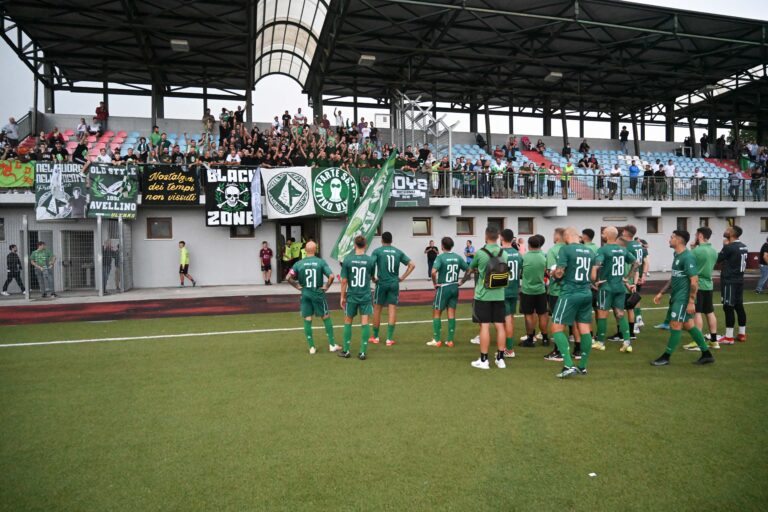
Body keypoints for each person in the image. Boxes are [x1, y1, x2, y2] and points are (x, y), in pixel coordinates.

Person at [650, 230, 714, 366]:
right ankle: (706, 354)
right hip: (677, 297)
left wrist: (691, 301)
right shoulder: (677, 254)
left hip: (683, 299)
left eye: (672, 237)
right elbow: (674, 276)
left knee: (675, 324)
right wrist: (662, 292)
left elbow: (694, 281)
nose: (669, 239)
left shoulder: (688, 257)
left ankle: (666, 357)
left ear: (679, 240)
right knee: (689, 325)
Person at [459, 225, 508, 370]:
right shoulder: (503, 253)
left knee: (485, 326)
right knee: (500, 326)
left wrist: (462, 281)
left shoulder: (480, 253)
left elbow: (470, 268)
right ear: (498, 237)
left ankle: (484, 360)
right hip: (499, 294)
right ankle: (500, 359)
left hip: (483, 295)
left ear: (486, 236)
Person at [550, 227, 596, 378]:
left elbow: (560, 272)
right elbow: (593, 276)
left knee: (556, 327)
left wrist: (554, 273)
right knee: (584, 329)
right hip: (586, 293)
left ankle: (568, 364)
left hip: (570, 293)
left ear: (566, 236)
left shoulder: (566, 249)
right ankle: (582, 366)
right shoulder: (589, 251)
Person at [286, 241, 341, 354]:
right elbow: (331, 276)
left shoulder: (298, 264)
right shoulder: (320, 262)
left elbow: (288, 277)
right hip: (318, 294)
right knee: (325, 317)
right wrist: (326, 287)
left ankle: (311, 347)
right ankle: (331, 345)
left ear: (305, 251)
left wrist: (298, 286)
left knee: (307, 318)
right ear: (315, 250)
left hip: (305, 293)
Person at [591, 227, 638, 353]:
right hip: (620, 287)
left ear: (607, 235)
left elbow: (597, 265)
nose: (601, 234)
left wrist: (594, 281)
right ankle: (627, 342)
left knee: (602, 314)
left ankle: (600, 342)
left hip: (606, 287)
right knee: (620, 314)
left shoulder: (603, 249)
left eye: (603, 233)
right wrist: (627, 278)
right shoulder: (623, 249)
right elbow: (636, 263)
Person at [370, 232, 415, 346]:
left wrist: (372, 278)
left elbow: (371, 265)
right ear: (391, 240)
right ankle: (389, 339)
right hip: (394, 283)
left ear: (382, 240)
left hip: (382, 283)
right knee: (392, 309)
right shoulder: (397, 251)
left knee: (377, 309)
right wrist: (402, 278)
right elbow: (412, 265)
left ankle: (375, 337)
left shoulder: (377, 251)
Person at [427, 237, 469, 348]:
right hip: (454, 287)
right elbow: (469, 270)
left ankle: (436, 340)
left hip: (444, 287)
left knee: (437, 313)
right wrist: (461, 282)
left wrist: (435, 283)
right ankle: (450, 341)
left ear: (442, 246)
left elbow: (433, 272)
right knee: (451, 314)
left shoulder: (440, 257)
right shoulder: (458, 257)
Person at [683, 227, 720, 352]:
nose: (694, 236)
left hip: (698, 285)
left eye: (696, 234)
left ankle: (697, 341)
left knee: (697, 312)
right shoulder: (714, 251)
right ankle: (714, 341)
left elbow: (687, 261)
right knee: (710, 312)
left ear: (700, 235)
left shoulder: (696, 251)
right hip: (709, 284)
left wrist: (692, 249)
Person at [339, 236, 376, 360]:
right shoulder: (370, 260)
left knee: (348, 321)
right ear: (365, 245)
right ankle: (362, 352)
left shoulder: (348, 260)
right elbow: (372, 276)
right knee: (365, 322)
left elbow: (344, 281)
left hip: (352, 296)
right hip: (365, 295)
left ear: (354, 245)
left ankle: (346, 350)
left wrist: (342, 297)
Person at [717, 225, 748, 344]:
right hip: (739, 280)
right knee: (739, 306)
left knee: (728, 306)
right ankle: (742, 334)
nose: (725, 230)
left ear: (732, 234)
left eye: (728, 230)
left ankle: (729, 337)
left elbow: (718, 259)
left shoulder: (729, 247)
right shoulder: (744, 246)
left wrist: (724, 246)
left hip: (730, 281)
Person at [519, 234, 549, 348]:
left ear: (529, 245)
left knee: (529, 315)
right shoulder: (544, 257)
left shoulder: (524, 257)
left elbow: (520, 273)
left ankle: (530, 338)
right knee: (542, 314)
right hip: (541, 290)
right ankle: (545, 338)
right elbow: (547, 272)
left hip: (527, 291)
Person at [545, 228, 567, 361]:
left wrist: (551, 274)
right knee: (574, 322)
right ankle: (577, 349)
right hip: (573, 290)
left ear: (557, 237)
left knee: (557, 321)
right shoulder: (572, 249)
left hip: (557, 291)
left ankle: (558, 351)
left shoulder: (553, 250)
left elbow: (554, 272)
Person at [500, 229, 522, 358]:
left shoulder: (500, 253)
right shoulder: (518, 254)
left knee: (504, 320)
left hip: (502, 290)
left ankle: (508, 348)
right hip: (514, 289)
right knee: (510, 318)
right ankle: (508, 346)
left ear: (502, 238)